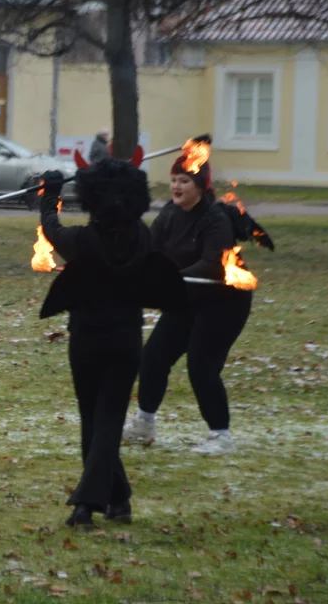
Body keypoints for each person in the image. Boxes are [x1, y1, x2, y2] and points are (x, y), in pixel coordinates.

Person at [38, 159, 185, 528]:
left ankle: (86, 503)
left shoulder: (82, 241)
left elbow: (51, 229)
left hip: (87, 340)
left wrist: (50, 193)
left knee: (96, 420)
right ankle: (119, 500)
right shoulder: (143, 236)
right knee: (103, 420)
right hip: (125, 340)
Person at [122, 155, 254, 455]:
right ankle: (144, 424)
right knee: (153, 357)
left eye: (184, 181)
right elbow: (148, 250)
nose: (176, 187)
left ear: (200, 187)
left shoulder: (214, 219)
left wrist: (167, 278)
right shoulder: (170, 214)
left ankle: (221, 437)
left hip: (224, 302)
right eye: (173, 180)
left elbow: (212, 265)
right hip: (186, 298)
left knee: (201, 366)